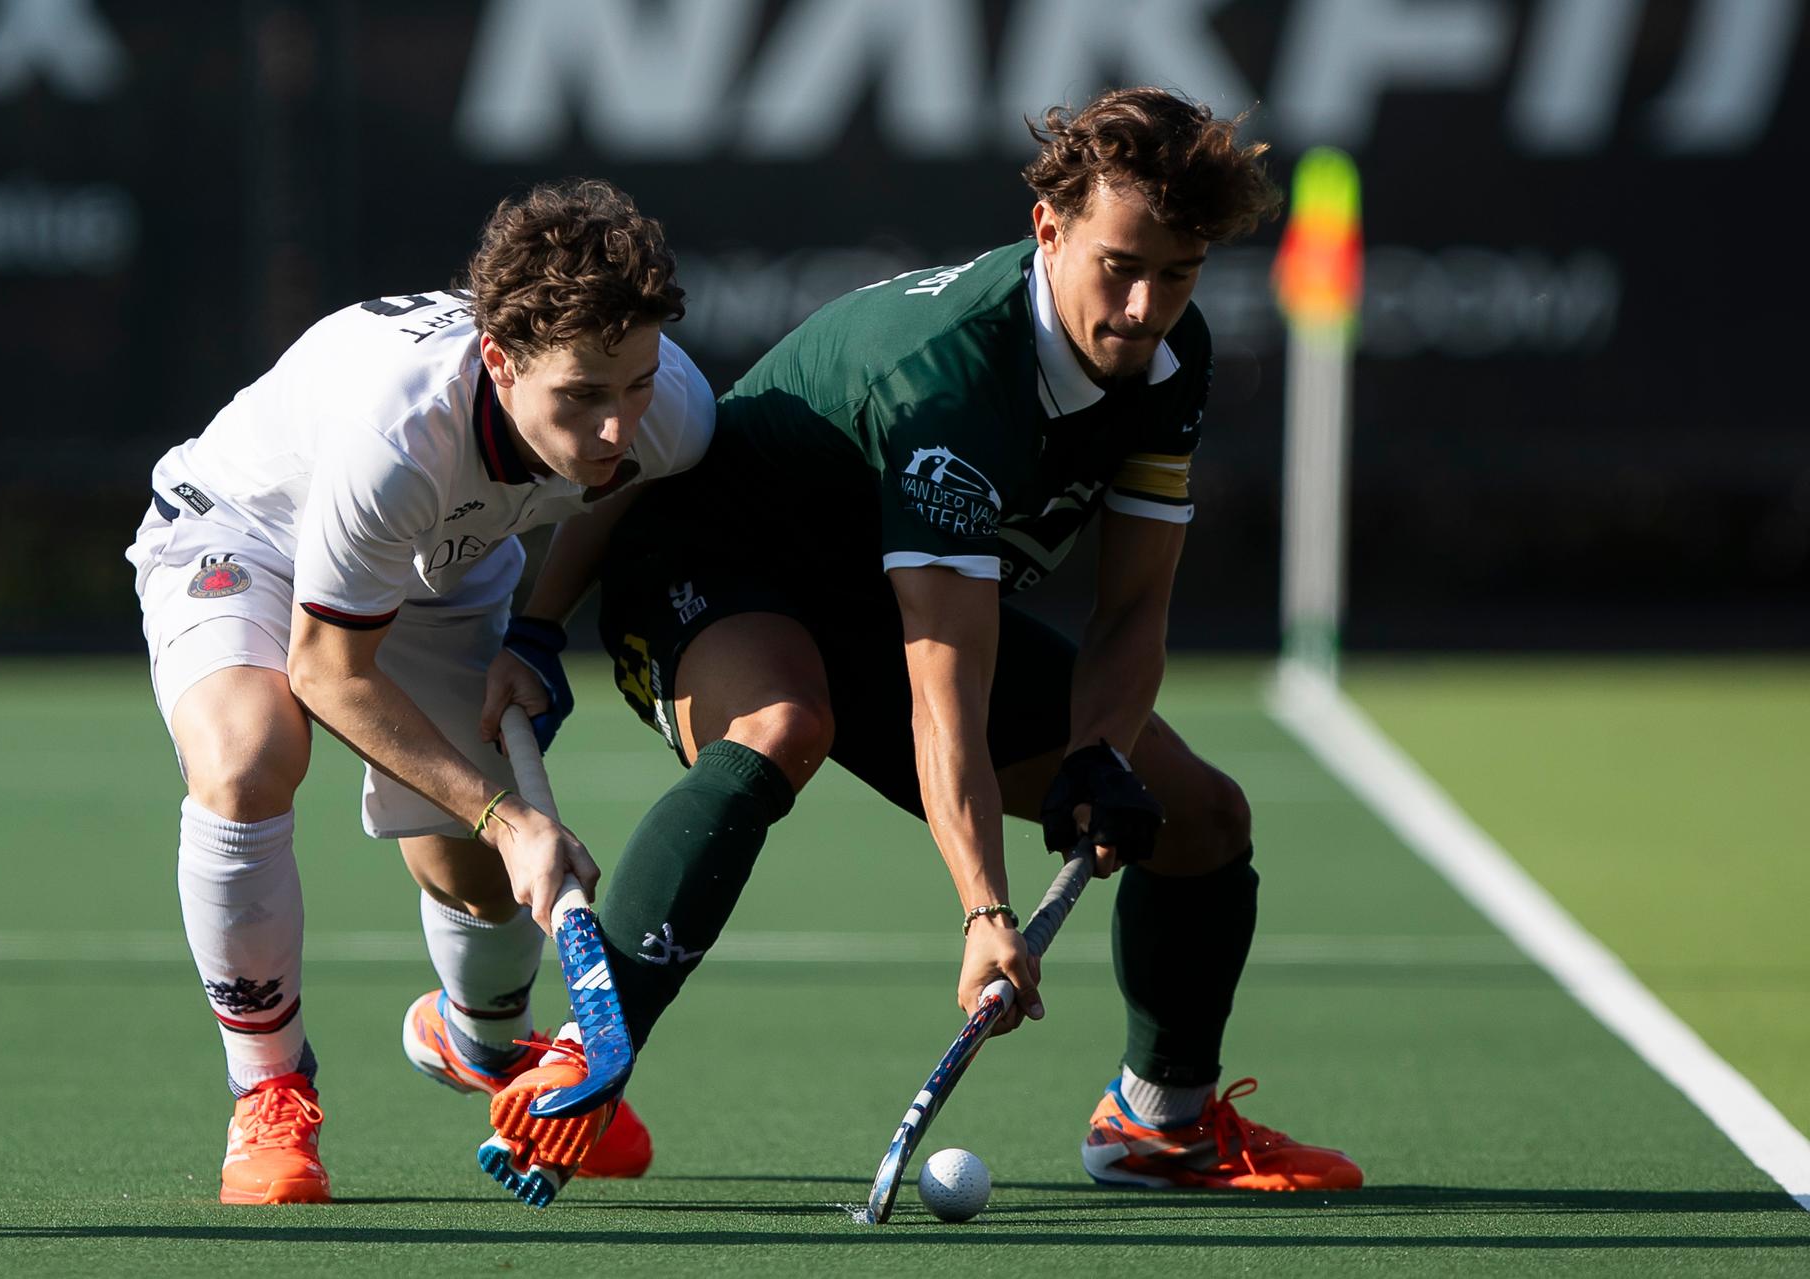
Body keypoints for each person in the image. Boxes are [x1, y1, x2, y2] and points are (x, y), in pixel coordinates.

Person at [490, 87, 1362, 1195]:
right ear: (1049, 230)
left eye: (1178, 273)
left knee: (1199, 816)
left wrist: (1101, 751)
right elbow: (945, 675)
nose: (1145, 307)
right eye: (1120, 266)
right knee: (783, 725)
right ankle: (587, 1056)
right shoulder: (950, 375)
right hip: (707, 566)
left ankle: (1159, 1125)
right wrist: (985, 910)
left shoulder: (1170, 360)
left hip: (880, 604)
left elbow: (1134, 607)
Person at [125, 179, 714, 1204]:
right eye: (582, 396)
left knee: (473, 879)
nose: (617, 425)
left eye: (635, 386)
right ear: (501, 359)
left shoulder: (668, 409)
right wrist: (510, 817)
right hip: (247, 534)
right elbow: (327, 671)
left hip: (447, 565)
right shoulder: (400, 434)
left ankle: (483, 1046)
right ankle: (268, 1092)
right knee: (251, 757)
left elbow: (626, 489)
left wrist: (537, 629)